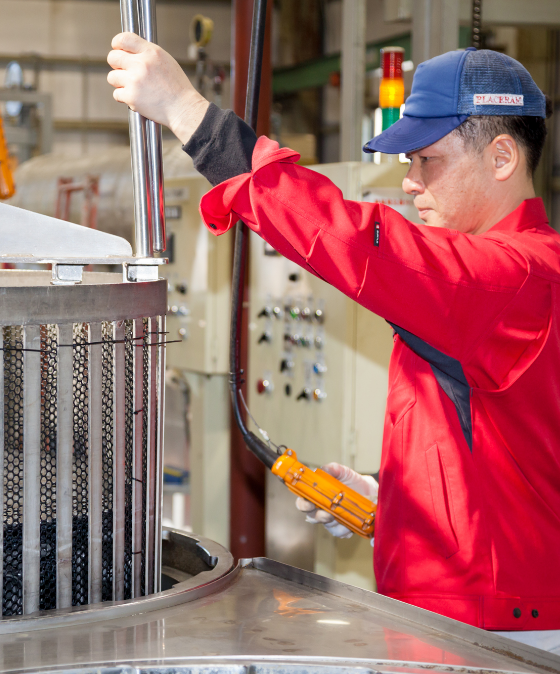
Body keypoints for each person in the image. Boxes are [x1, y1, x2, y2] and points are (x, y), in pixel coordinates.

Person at [108, 35, 560, 644]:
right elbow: (501, 460)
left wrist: (191, 114)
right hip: (454, 619)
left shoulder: (514, 278)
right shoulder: (493, 287)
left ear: (502, 157)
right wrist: (389, 500)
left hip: (491, 636)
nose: (410, 184)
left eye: (426, 160)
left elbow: (352, 240)